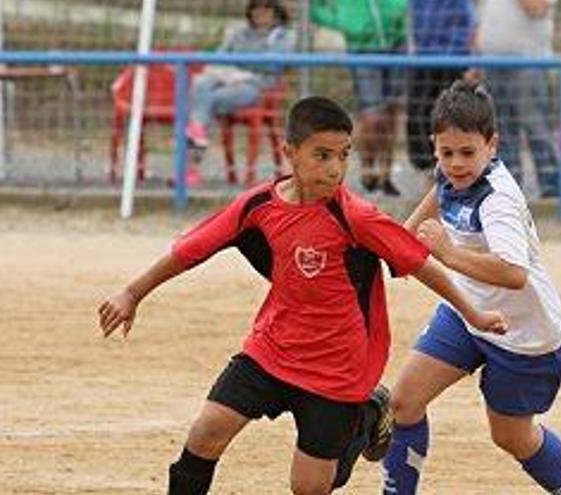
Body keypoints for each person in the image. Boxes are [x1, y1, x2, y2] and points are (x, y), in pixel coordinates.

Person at [98, 96, 507, 495]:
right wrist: (132, 293)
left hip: (338, 371)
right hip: (270, 350)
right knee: (206, 433)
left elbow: (420, 264)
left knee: (309, 487)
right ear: (289, 152)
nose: (336, 170)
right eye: (322, 156)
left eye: (344, 155)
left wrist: (472, 313)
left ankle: (365, 415)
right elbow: (191, 250)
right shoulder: (258, 204)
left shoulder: (356, 216)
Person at [381, 81, 561, 494]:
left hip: (523, 335)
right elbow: (440, 189)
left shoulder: (497, 199)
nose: (456, 163)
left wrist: (446, 254)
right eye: (446, 152)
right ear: (435, 145)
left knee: (511, 436)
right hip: (468, 311)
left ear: (492, 145)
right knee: (404, 403)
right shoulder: (451, 170)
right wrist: (403, 236)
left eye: (468, 153)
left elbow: (513, 272)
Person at [184, 0, 295, 186]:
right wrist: (232, 71)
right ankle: (198, 133)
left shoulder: (284, 36)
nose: (261, 11)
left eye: (267, 7)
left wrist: (242, 71)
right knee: (201, 83)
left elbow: (272, 66)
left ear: (276, 11)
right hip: (229, 79)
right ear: (250, 11)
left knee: (206, 102)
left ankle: (192, 157)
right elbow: (219, 57)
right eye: (256, 7)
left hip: (257, 87)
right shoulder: (239, 33)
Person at [310, 0, 407, 196]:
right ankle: (367, 169)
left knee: (391, 113)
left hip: (396, 44)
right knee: (371, 115)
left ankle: (385, 174)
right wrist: (345, 22)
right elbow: (315, 8)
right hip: (362, 47)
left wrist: (399, 11)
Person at [479, 0, 561, 198]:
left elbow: (538, 8)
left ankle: (551, 187)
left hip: (528, 60)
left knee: (536, 126)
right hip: (493, 60)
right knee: (501, 128)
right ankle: (508, 188)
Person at [406, 0, 477, 182]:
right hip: (423, 59)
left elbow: (469, 25)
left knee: (447, 116)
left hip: (452, 59)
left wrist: (470, 60)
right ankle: (429, 168)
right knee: (417, 115)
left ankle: (444, 169)